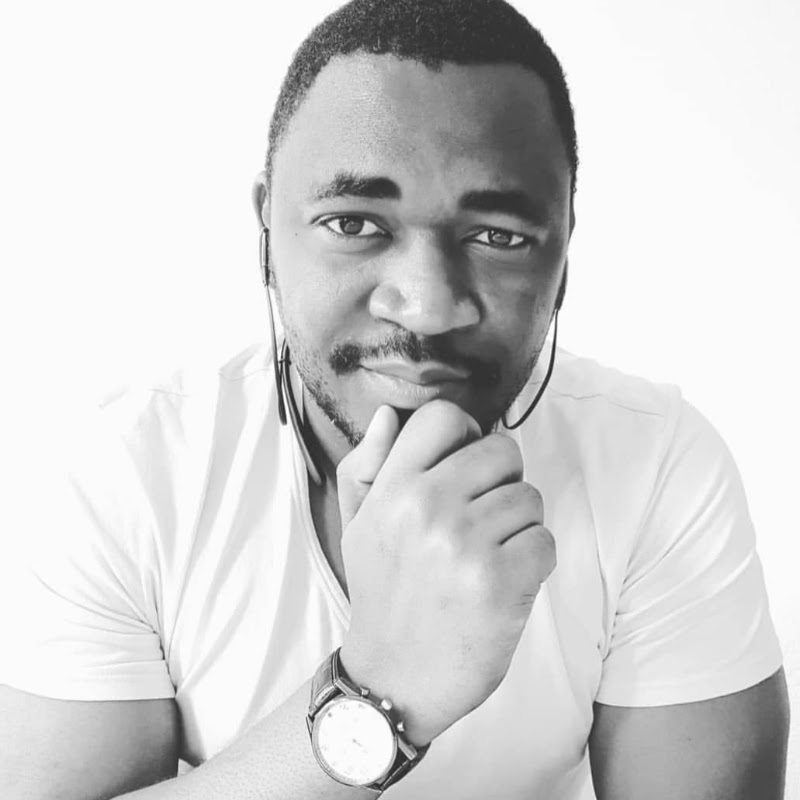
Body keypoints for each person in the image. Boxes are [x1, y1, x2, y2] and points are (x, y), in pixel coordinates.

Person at [0, 0, 790, 797]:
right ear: (266, 230)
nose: (428, 307)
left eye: (499, 236)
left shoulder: (653, 465)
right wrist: (382, 689)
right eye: (353, 223)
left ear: (566, 249)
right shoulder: (126, 473)